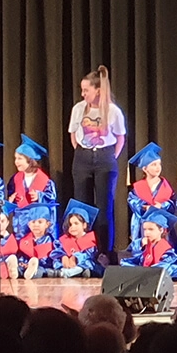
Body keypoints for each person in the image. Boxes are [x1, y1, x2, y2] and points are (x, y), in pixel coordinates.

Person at [68, 66, 126, 256]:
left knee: (104, 207)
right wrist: (83, 152)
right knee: (81, 206)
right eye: (82, 90)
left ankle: (104, 252)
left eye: (86, 90)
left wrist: (109, 157)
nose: (83, 94)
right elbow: (73, 134)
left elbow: (120, 138)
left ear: (98, 91)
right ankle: (83, 251)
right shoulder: (78, 109)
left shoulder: (113, 111)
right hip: (82, 157)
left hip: (105, 157)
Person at [119, 208, 177, 280]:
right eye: (145, 229)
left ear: (161, 230)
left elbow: (162, 268)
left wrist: (145, 271)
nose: (146, 233)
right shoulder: (139, 244)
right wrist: (141, 248)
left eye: (151, 229)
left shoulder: (167, 250)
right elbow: (127, 259)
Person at [16, 202, 64, 279]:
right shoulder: (24, 241)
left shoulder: (51, 241)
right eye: (33, 222)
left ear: (47, 224)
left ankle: (34, 272)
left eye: (40, 222)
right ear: (29, 224)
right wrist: (24, 263)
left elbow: (55, 259)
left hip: (44, 268)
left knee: (40, 271)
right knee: (18, 269)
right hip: (27, 266)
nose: (36, 225)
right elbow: (22, 257)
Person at [57, 199, 104, 278]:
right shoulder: (65, 239)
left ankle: (65, 273)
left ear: (84, 225)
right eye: (70, 224)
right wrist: (64, 257)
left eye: (76, 223)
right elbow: (58, 252)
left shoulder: (90, 240)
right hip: (67, 265)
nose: (72, 227)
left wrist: (75, 258)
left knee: (85, 266)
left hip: (84, 264)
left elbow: (89, 255)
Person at [9, 134, 57, 209]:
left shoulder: (46, 182)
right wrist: (11, 200)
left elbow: (51, 201)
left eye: (20, 158)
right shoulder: (14, 179)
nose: (16, 162)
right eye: (15, 158)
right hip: (20, 215)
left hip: (38, 215)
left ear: (31, 161)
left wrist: (39, 196)